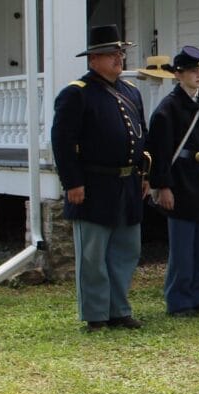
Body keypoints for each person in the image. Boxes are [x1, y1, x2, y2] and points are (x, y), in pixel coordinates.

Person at [50, 25, 149, 331]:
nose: (119, 58)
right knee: (93, 254)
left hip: (127, 183)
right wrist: (73, 183)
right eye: (111, 53)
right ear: (93, 59)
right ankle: (96, 315)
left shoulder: (131, 92)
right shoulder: (76, 94)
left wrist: (144, 175)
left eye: (120, 52)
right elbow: (62, 142)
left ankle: (119, 309)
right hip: (94, 184)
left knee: (126, 250)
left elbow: (140, 136)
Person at [145, 46, 199, 317]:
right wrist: (163, 186)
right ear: (178, 74)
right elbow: (160, 152)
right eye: (193, 71)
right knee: (182, 249)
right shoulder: (168, 110)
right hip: (180, 182)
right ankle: (179, 301)